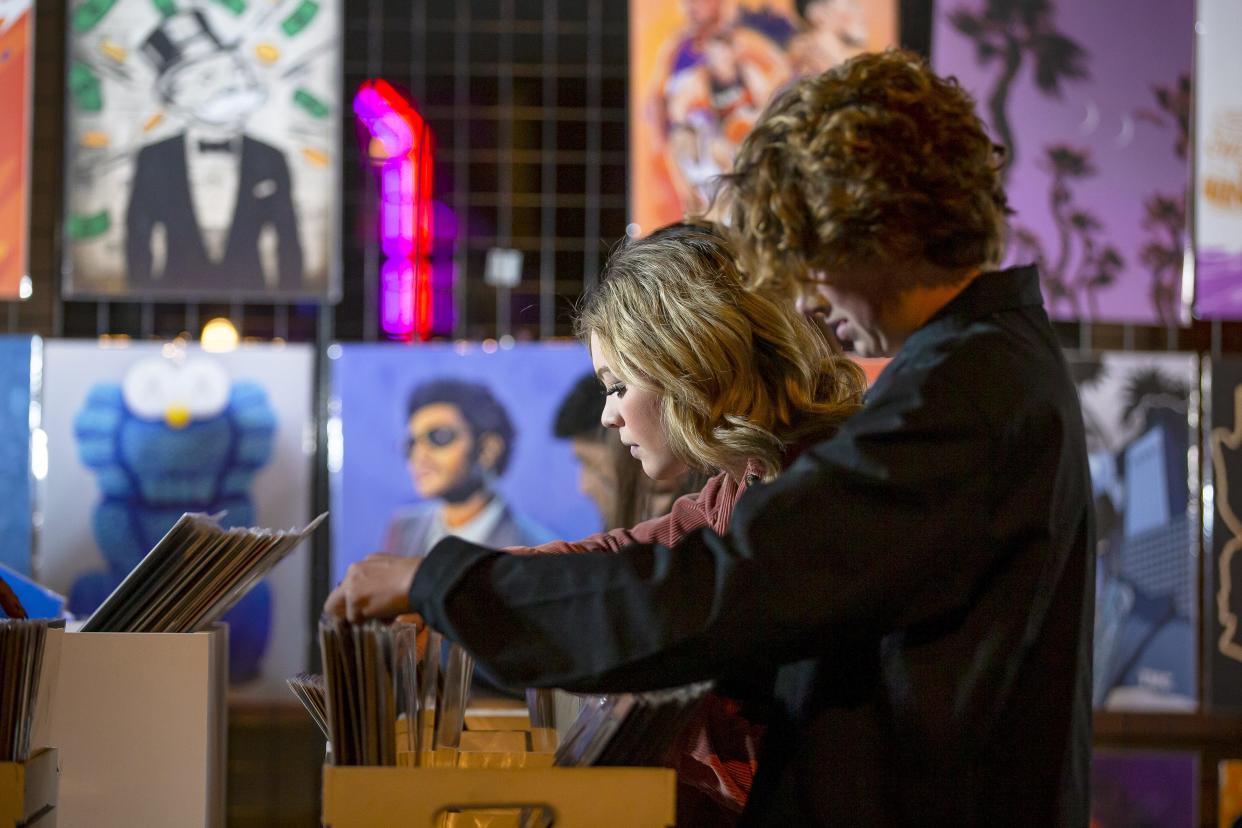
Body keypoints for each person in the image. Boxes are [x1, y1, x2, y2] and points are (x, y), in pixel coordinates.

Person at [329, 50, 1094, 826]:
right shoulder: (979, 370)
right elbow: (667, 558)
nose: (804, 289)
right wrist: (449, 583)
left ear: (868, 224)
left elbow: (716, 586)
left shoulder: (963, 393)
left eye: (802, 249)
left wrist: (445, 586)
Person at [381, 378, 554, 557]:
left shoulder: (532, 550)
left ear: (488, 449)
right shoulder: (404, 529)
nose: (419, 456)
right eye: (412, 444)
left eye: (439, 437)